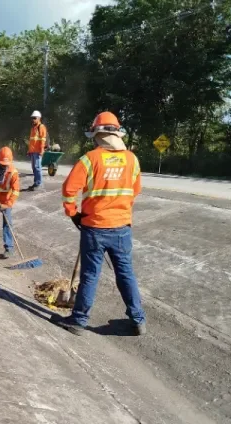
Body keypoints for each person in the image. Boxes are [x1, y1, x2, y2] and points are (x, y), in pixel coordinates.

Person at [60, 111, 146, 336]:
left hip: (94, 227)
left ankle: (78, 321)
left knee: (90, 275)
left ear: (97, 135)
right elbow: (135, 190)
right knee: (126, 273)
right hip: (122, 228)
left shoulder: (90, 159)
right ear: (117, 134)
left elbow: (69, 190)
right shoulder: (132, 159)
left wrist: (73, 214)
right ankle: (137, 320)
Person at [27, 110, 48, 191]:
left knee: (37, 167)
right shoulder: (33, 128)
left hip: (38, 151)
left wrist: (42, 150)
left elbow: (43, 139)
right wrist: (29, 150)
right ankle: (36, 183)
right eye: (32, 118)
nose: (33, 120)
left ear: (39, 118)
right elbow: (32, 141)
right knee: (34, 168)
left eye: (34, 118)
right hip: (33, 151)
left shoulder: (41, 127)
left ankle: (38, 184)